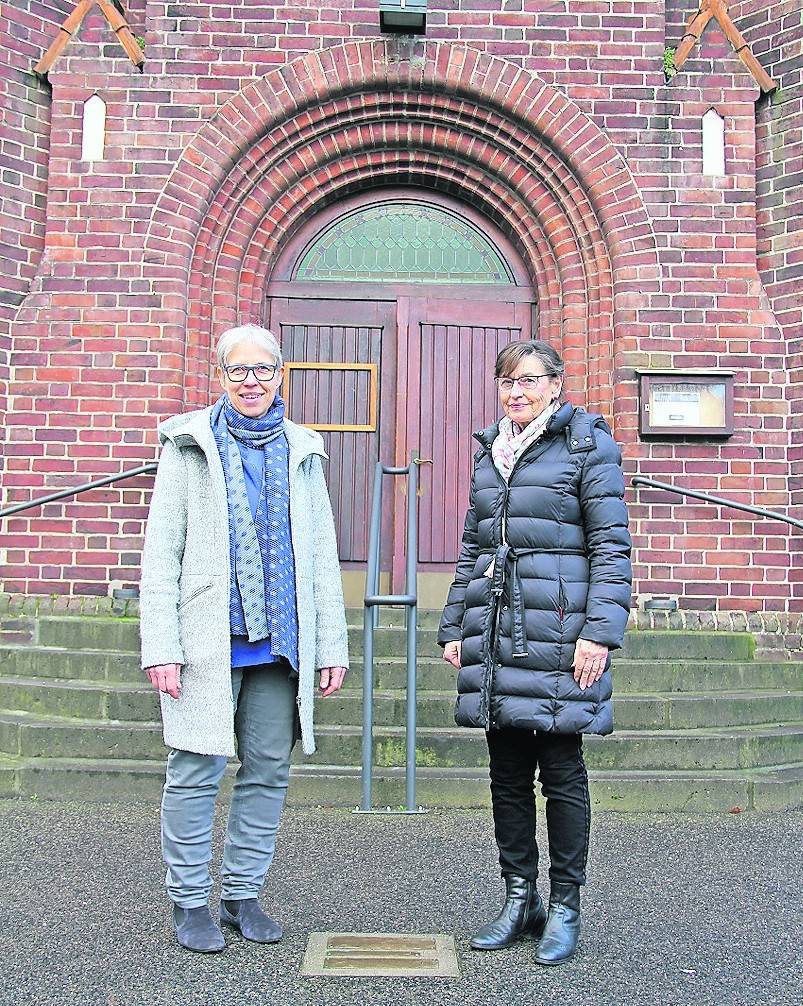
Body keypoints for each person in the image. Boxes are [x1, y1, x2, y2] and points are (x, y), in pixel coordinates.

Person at [140, 324, 348, 953]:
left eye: (263, 370)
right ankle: (188, 902)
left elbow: (318, 554)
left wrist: (331, 645)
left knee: (267, 770)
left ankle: (241, 896)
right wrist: (162, 646)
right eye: (239, 370)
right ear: (221, 376)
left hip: (281, 641)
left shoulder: (302, 449)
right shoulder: (187, 445)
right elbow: (161, 554)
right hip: (208, 637)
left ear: (280, 376)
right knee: (196, 768)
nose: (251, 381)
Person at [438, 339, 631, 966]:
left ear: (556, 384)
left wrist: (599, 633)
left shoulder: (585, 444)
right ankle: (521, 897)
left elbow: (610, 548)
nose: (514, 393)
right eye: (505, 382)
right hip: (497, 632)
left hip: (559, 631)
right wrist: (454, 627)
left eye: (526, 381)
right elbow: (473, 546)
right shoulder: (492, 451)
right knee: (507, 776)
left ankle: (566, 904)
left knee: (562, 771)